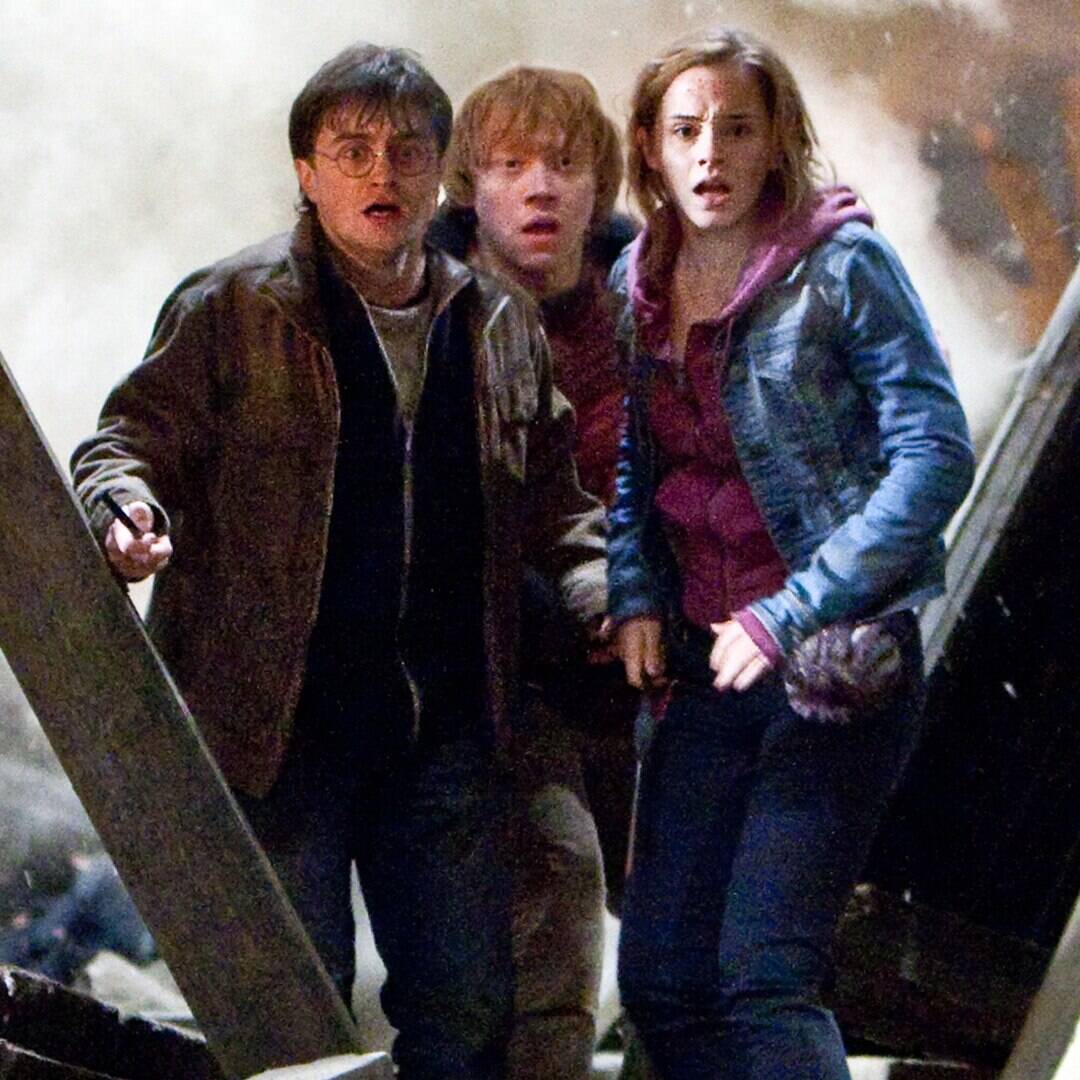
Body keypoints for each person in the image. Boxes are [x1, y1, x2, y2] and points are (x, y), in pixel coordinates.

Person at [70, 43, 607, 1080]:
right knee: (291, 1014)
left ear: (441, 172)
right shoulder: (233, 305)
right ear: (306, 173)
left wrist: (600, 592)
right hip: (278, 723)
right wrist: (125, 512)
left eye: (407, 150)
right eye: (351, 151)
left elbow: (556, 506)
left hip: (439, 725)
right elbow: (127, 441)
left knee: (467, 1009)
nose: (381, 173)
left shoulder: (498, 323)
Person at [607, 27, 975, 1079]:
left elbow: (935, 453)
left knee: (764, 978)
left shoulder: (841, 264)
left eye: (736, 129)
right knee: (663, 983)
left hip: (831, 670)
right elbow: (640, 456)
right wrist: (635, 590)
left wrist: (792, 611)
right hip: (703, 670)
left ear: (776, 143)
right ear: (652, 149)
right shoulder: (642, 275)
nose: (710, 154)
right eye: (686, 131)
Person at [430, 66, 639, 1080]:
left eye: (563, 163)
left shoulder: (656, 305)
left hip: (640, 652)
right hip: (496, 672)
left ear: (600, 183)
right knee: (554, 893)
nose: (541, 187)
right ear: (470, 187)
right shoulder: (422, 312)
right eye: (511, 165)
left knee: (693, 923)